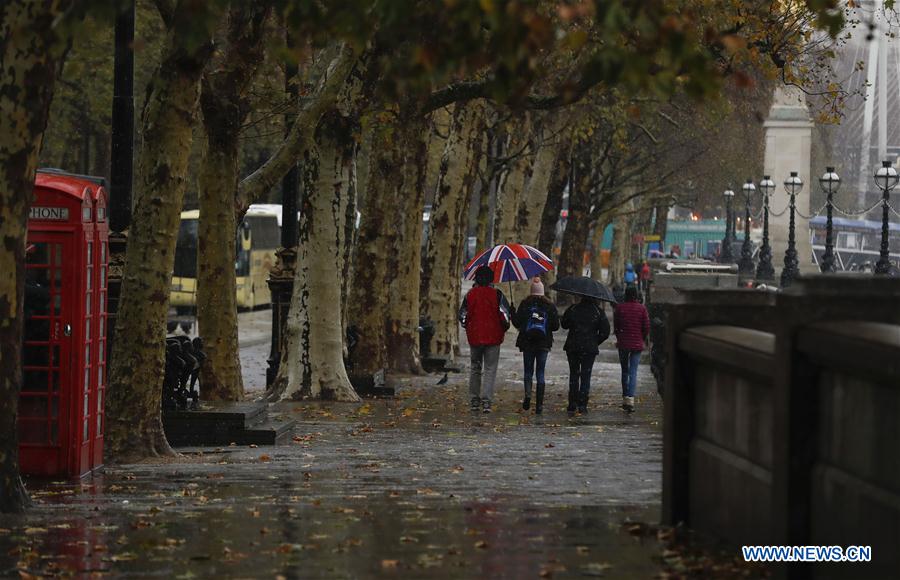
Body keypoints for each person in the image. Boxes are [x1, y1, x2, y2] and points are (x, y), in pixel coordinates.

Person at [458, 265, 511, 414]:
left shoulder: (470, 295)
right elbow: (505, 317)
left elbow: (462, 316)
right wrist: (503, 327)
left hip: (475, 337)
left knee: (475, 368)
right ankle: (486, 402)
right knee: (490, 369)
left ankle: (474, 400)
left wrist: (468, 326)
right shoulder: (497, 294)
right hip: (493, 337)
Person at [511, 277, 560, 415]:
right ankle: (539, 405)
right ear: (543, 291)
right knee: (540, 373)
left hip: (527, 343)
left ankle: (527, 395)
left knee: (528, 372)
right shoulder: (549, 306)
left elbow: (517, 323)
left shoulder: (525, 304)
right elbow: (556, 326)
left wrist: (512, 311)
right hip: (543, 344)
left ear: (531, 291)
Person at [561, 295, 611, 417]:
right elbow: (605, 332)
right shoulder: (598, 312)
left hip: (573, 346)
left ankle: (572, 403)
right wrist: (595, 341)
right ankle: (582, 404)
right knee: (585, 375)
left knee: (574, 374)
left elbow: (564, 324)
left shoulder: (573, 309)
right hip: (589, 348)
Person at [613, 286, 650, 413]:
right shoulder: (642, 308)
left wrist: (620, 337)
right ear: (637, 295)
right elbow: (646, 326)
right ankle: (630, 398)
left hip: (623, 343)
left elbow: (616, 326)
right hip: (636, 344)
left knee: (625, 370)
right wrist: (642, 338)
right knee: (633, 371)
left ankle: (625, 397)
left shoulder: (620, 308)